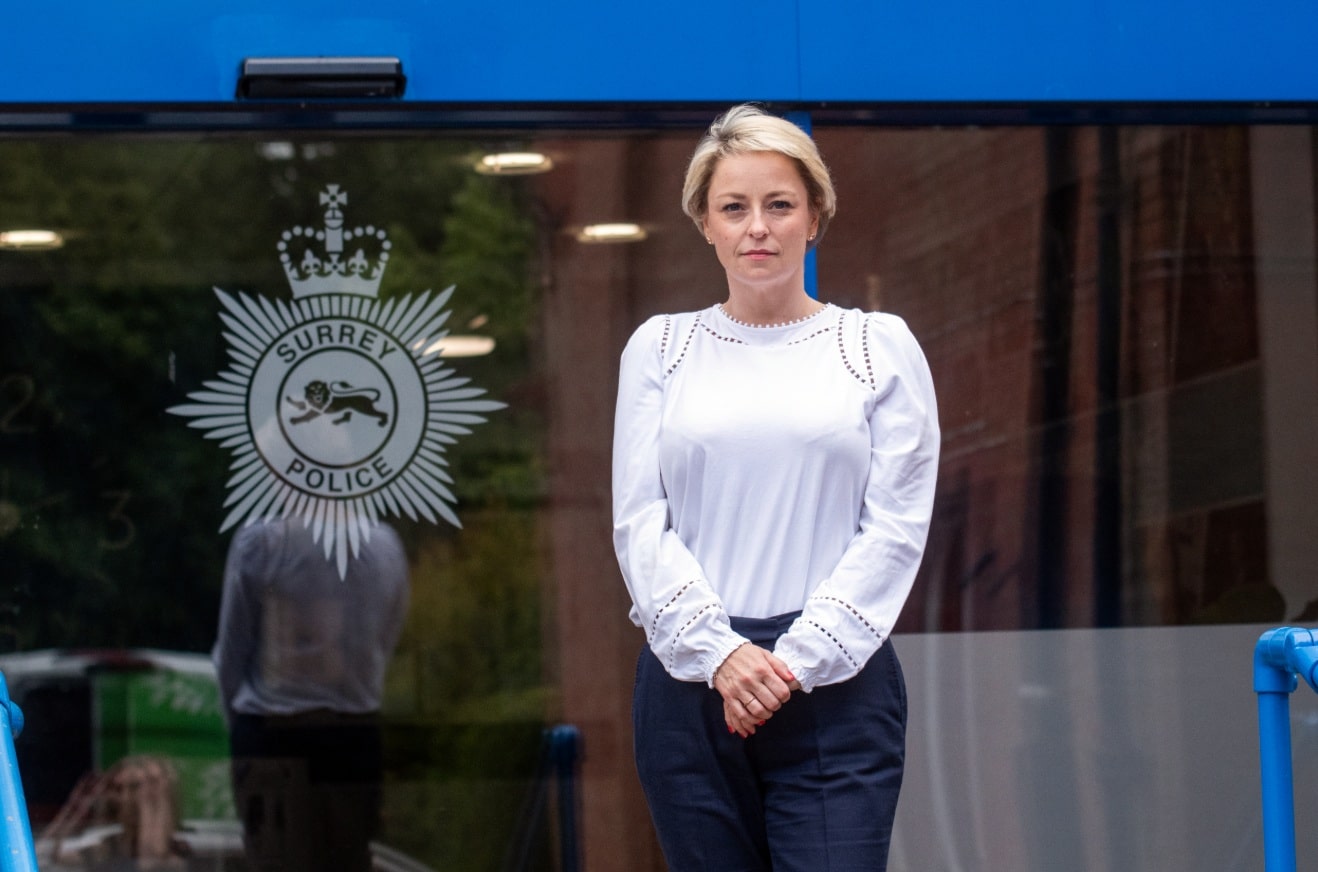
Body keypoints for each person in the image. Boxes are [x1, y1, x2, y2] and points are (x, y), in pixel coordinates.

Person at [611, 104, 940, 871]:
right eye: (734, 207)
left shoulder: (874, 346)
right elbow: (638, 521)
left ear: (814, 217)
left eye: (779, 204)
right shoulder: (661, 347)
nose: (757, 226)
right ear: (705, 223)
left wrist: (793, 661)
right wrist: (721, 653)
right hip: (689, 682)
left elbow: (895, 527)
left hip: (838, 682)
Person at [212, 517, 410, 872]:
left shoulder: (262, 542)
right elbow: (384, 640)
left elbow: (231, 654)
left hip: (272, 734)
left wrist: (242, 733)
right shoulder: (384, 547)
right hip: (353, 737)